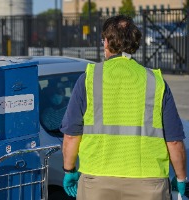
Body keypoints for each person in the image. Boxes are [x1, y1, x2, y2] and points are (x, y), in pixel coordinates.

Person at [61, 15, 187, 200]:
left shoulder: (89, 78)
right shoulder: (155, 82)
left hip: (97, 181)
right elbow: (174, 141)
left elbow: (72, 135)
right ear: (134, 43)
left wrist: (69, 170)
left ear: (105, 42)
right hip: (149, 184)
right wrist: (181, 177)